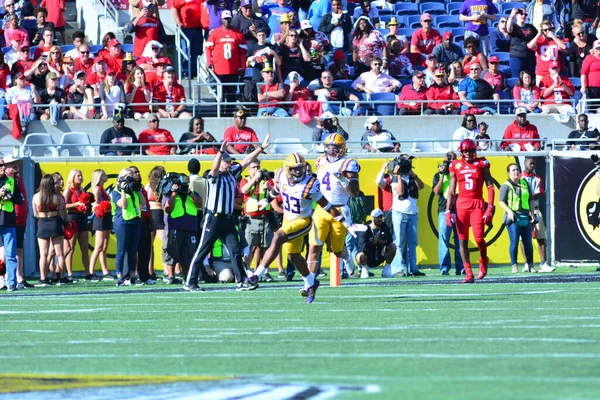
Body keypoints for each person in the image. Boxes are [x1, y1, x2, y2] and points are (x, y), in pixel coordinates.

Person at [244, 152, 356, 302]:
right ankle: (311, 283)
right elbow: (277, 189)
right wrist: (267, 200)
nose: (298, 171)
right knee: (293, 256)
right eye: (295, 169)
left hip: (302, 221)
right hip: (288, 219)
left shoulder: (310, 184)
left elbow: (327, 206)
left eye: (300, 168)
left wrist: (345, 222)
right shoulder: (281, 175)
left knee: (277, 237)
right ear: (287, 169)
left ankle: (256, 275)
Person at [184, 133, 272, 292]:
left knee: (235, 250)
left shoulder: (231, 174)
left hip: (228, 219)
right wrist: (219, 153)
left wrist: (261, 148)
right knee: (203, 249)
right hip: (214, 218)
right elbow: (214, 168)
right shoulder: (214, 177)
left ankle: (241, 281)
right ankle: (190, 281)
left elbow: (245, 161)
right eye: (227, 161)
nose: (229, 164)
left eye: (230, 161)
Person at [308, 134, 362, 285]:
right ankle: (309, 281)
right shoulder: (319, 161)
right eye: (328, 147)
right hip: (321, 208)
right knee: (314, 247)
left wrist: (343, 179)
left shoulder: (348, 164)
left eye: (335, 147)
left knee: (336, 250)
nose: (331, 150)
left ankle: (347, 257)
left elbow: (355, 193)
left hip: (340, 208)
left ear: (342, 148)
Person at [446, 139, 494, 283]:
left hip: (477, 203)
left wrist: (490, 207)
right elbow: (452, 190)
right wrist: (448, 210)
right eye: (465, 151)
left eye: (470, 151)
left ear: (475, 151)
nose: (468, 154)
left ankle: (483, 259)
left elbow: (490, 186)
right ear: (461, 152)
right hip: (461, 204)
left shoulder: (482, 163)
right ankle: (468, 273)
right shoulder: (455, 165)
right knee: (462, 240)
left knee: (479, 238)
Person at [162, 172, 203, 284]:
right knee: (172, 253)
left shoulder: (192, 193)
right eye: (183, 183)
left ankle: (186, 276)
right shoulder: (169, 194)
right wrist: (174, 193)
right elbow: (167, 209)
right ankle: (171, 276)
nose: (185, 185)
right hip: (175, 228)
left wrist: (189, 193)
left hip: (189, 228)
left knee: (188, 254)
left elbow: (199, 204)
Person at [498, 163, 537, 274]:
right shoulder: (506, 185)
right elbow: (501, 201)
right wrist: (509, 211)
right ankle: (514, 265)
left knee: (528, 243)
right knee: (514, 242)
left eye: (517, 170)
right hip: (514, 218)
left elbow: (531, 199)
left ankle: (530, 265)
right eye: (513, 170)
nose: (516, 172)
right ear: (508, 173)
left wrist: (532, 213)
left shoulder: (524, 183)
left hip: (525, 216)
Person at [206, 10, 247, 112]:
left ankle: (229, 114)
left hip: (233, 69)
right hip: (219, 70)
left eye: (229, 19)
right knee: (220, 93)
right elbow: (208, 49)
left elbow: (243, 52)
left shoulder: (238, 34)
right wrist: (209, 62)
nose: (227, 21)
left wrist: (243, 66)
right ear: (221, 19)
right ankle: (219, 113)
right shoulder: (215, 33)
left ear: (231, 19)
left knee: (231, 94)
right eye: (225, 19)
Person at [111, 167, 146, 286]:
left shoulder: (134, 190)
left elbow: (143, 202)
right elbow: (123, 205)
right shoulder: (116, 192)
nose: (131, 179)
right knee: (121, 251)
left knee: (132, 251)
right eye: (128, 176)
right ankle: (120, 276)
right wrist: (123, 190)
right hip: (122, 223)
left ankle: (132, 277)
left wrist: (138, 189)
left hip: (135, 221)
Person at [240, 159, 275, 276]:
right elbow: (244, 190)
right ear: (249, 169)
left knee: (266, 246)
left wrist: (269, 188)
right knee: (248, 246)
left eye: (258, 167)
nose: (256, 169)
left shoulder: (266, 180)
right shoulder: (245, 180)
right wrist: (254, 179)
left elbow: (276, 194)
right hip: (251, 219)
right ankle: (247, 270)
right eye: (254, 167)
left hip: (265, 217)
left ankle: (265, 272)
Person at [521, 157, 555, 272]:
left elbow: (537, 194)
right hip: (522, 210)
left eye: (534, 164)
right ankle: (527, 263)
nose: (533, 165)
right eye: (531, 163)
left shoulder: (537, 178)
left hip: (535, 209)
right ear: (525, 163)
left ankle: (543, 263)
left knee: (540, 236)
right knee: (523, 238)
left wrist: (526, 196)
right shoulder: (519, 177)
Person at [432, 152, 463, 275]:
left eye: (454, 159)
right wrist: (441, 175)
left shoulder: (460, 173)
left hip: (460, 210)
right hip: (444, 211)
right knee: (443, 240)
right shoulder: (439, 174)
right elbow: (436, 191)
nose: (451, 162)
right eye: (449, 160)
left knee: (460, 240)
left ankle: (460, 267)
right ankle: (444, 267)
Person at [32, 174, 65, 287]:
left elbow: (35, 214)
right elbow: (61, 212)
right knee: (60, 253)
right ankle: (60, 277)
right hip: (55, 222)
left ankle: (43, 278)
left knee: (44, 254)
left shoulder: (36, 196)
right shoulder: (56, 197)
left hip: (42, 223)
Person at [63, 169, 89, 283]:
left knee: (84, 248)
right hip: (72, 218)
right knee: (71, 248)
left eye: (81, 175)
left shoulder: (81, 189)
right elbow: (63, 205)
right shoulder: (69, 190)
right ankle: (69, 273)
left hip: (81, 217)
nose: (80, 177)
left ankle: (88, 273)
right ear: (72, 177)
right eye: (78, 175)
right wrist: (76, 204)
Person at [354, 208, 395, 279]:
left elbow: (390, 239)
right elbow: (361, 247)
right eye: (377, 217)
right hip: (368, 257)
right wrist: (373, 241)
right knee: (359, 256)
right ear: (372, 218)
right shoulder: (365, 229)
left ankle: (386, 270)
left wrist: (383, 241)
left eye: (381, 217)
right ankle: (365, 270)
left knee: (393, 246)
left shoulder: (384, 226)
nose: (380, 219)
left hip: (380, 255)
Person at [88, 169, 112, 281]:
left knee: (104, 246)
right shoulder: (97, 189)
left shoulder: (103, 189)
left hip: (106, 217)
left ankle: (105, 271)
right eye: (103, 174)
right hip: (100, 217)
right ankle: (90, 272)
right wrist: (104, 206)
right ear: (99, 177)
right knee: (98, 246)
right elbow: (95, 204)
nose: (105, 176)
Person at [145, 166, 166, 281]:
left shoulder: (147, 186)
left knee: (149, 245)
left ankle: (150, 271)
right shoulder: (162, 185)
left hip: (149, 213)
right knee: (166, 242)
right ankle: (168, 270)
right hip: (158, 213)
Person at [528, 19, 566, 84]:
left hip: (555, 72)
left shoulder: (556, 39)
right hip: (541, 73)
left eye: (549, 29)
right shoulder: (539, 41)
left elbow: (563, 47)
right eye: (545, 30)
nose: (548, 31)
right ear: (542, 31)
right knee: (540, 92)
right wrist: (538, 34)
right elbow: (530, 46)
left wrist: (553, 36)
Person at [171, 0, 202, 77]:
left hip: (198, 28)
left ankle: (194, 71)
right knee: (185, 51)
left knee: (197, 51)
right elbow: (174, 8)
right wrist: (179, 22)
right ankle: (185, 72)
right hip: (186, 28)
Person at [507, 7, 537, 78]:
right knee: (516, 79)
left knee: (531, 80)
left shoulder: (531, 27)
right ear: (517, 15)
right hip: (517, 57)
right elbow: (508, 29)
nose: (523, 16)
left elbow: (537, 38)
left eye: (525, 14)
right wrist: (511, 16)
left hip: (530, 57)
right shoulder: (514, 26)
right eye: (521, 13)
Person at [581, 40, 600, 112]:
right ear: (593, 49)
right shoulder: (589, 58)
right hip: (593, 87)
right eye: (597, 48)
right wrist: (583, 86)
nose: (599, 50)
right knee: (594, 106)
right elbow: (583, 73)